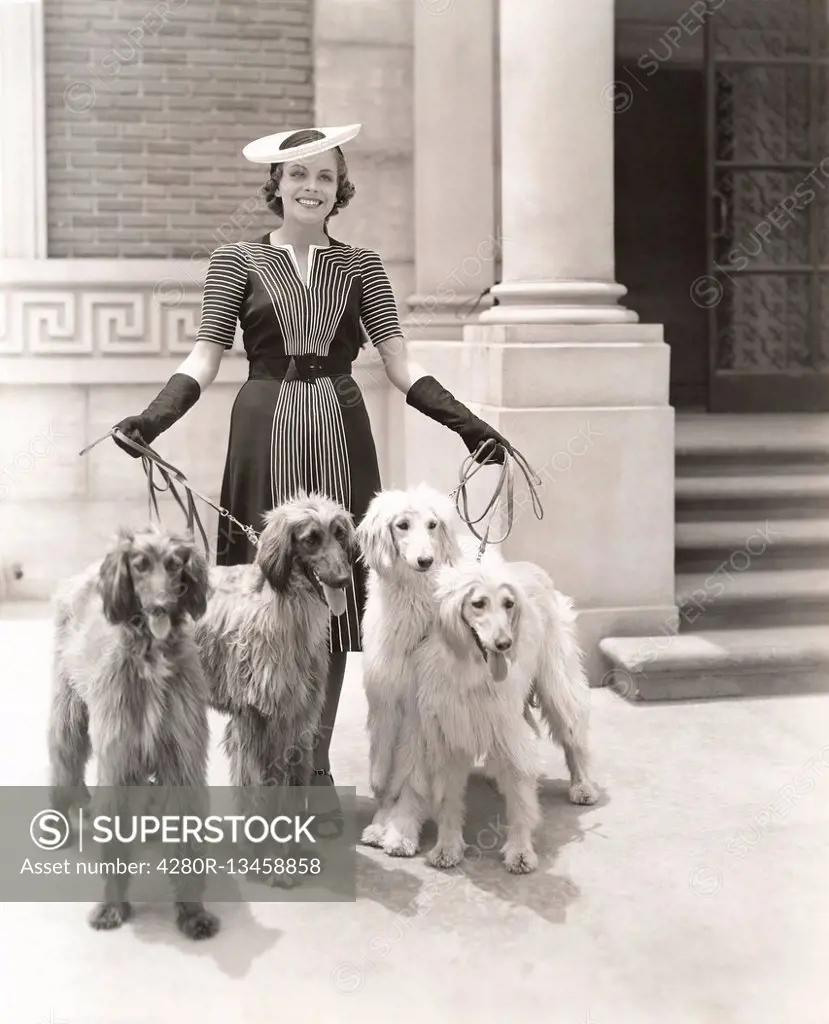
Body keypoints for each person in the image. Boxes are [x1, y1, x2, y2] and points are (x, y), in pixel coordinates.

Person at [111, 123, 513, 836]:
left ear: (339, 188)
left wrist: (468, 423)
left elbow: (399, 362)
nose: (310, 187)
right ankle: (260, 776)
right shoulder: (234, 262)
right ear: (275, 186)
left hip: (340, 427)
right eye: (297, 175)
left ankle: (313, 766)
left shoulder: (361, 265)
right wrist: (152, 418)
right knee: (260, 607)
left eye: (324, 176)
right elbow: (204, 358)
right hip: (262, 431)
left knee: (334, 602)